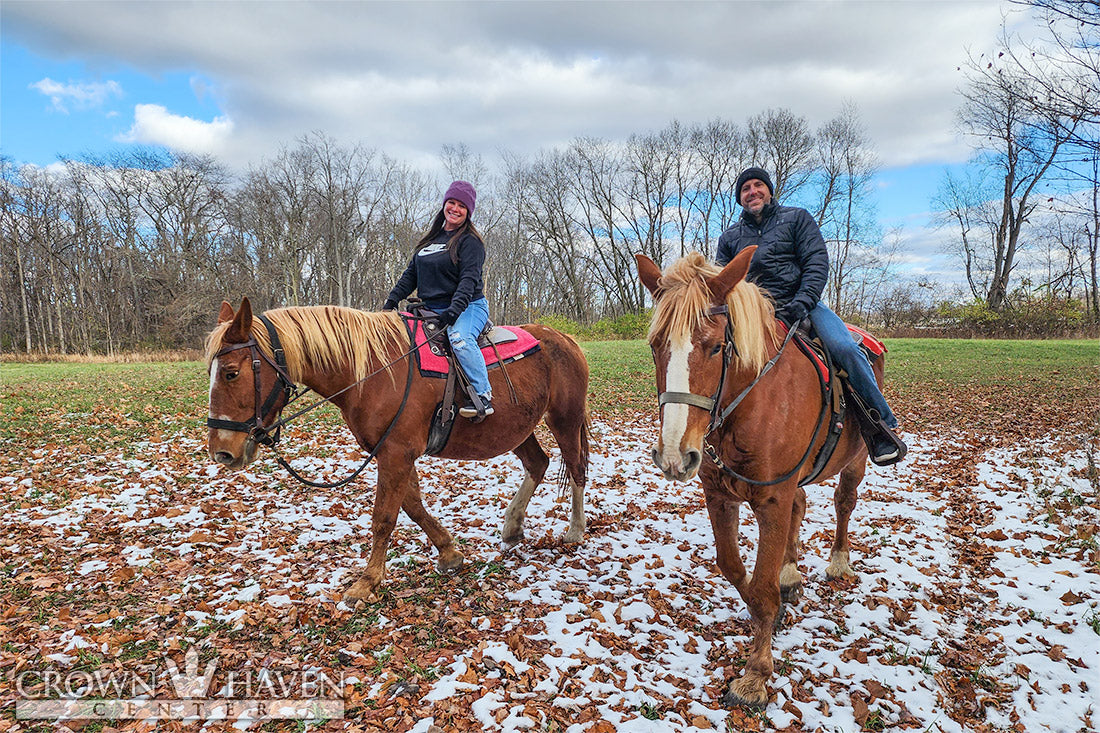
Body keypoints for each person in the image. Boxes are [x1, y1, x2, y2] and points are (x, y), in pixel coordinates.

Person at [715, 166, 906, 466]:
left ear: (769, 190)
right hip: (752, 316)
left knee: (845, 349)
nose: (752, 192)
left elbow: (817, 262)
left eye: (757, 185)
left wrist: (803, 301)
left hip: (802, 305)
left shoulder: (797, 219)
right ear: (739, 198)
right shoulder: (730, 238)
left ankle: (881, 426)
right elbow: (723, 281)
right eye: (745, 189)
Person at [384, 180, 493, 419]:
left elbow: (468, 281)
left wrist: (453, 312)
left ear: (469, 212)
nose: (455, 208)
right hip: (430, 309)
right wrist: (392, 301)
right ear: (444, 204)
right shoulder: (430, 241)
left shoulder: (470, 242)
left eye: (462, 206)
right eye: (451, 202)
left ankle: (483, 395)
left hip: (467, 307)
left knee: (460, 340)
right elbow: (411, 275)